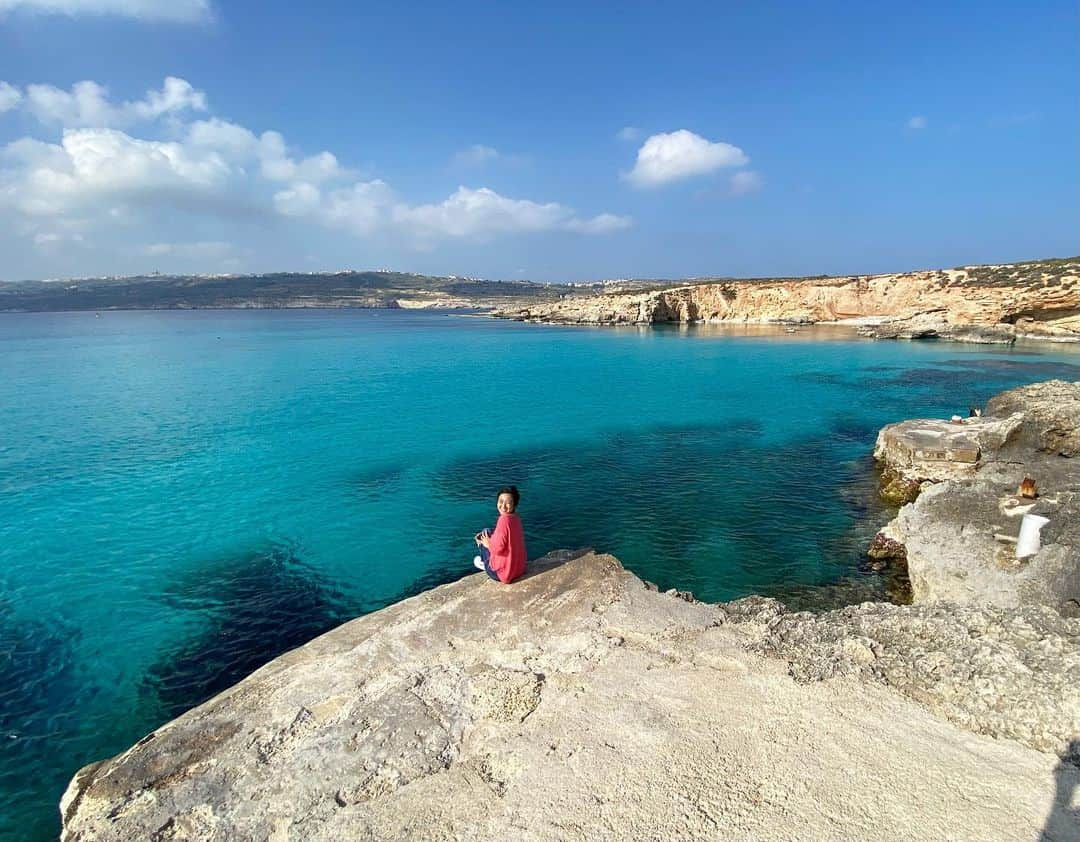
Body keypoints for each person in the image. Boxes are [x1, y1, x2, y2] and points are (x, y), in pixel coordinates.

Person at [473, 485, 527, 583]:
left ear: (514, 505)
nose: (503, 505)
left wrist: (485, 543)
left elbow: (497, 549)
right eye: (501, 501)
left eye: (508, 503)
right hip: (518, 569)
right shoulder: (516, 519)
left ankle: (484, 563)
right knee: (488, 531)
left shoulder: (503, 520)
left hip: (503, 574)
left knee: (484, 535)